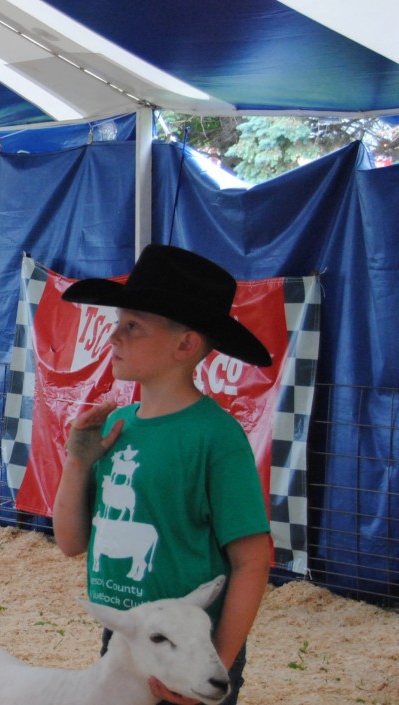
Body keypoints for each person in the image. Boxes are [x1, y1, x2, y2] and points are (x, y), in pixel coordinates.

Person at [53, 244, 274, 705]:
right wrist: (77, 464)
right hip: (128, 639)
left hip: (192, 649)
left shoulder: (216, 437)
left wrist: (217, 660)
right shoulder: (117, 426)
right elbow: (71, 543)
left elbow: (252, 561)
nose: (114, 338)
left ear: (185, 344)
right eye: (117, 324)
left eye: (132, 326)